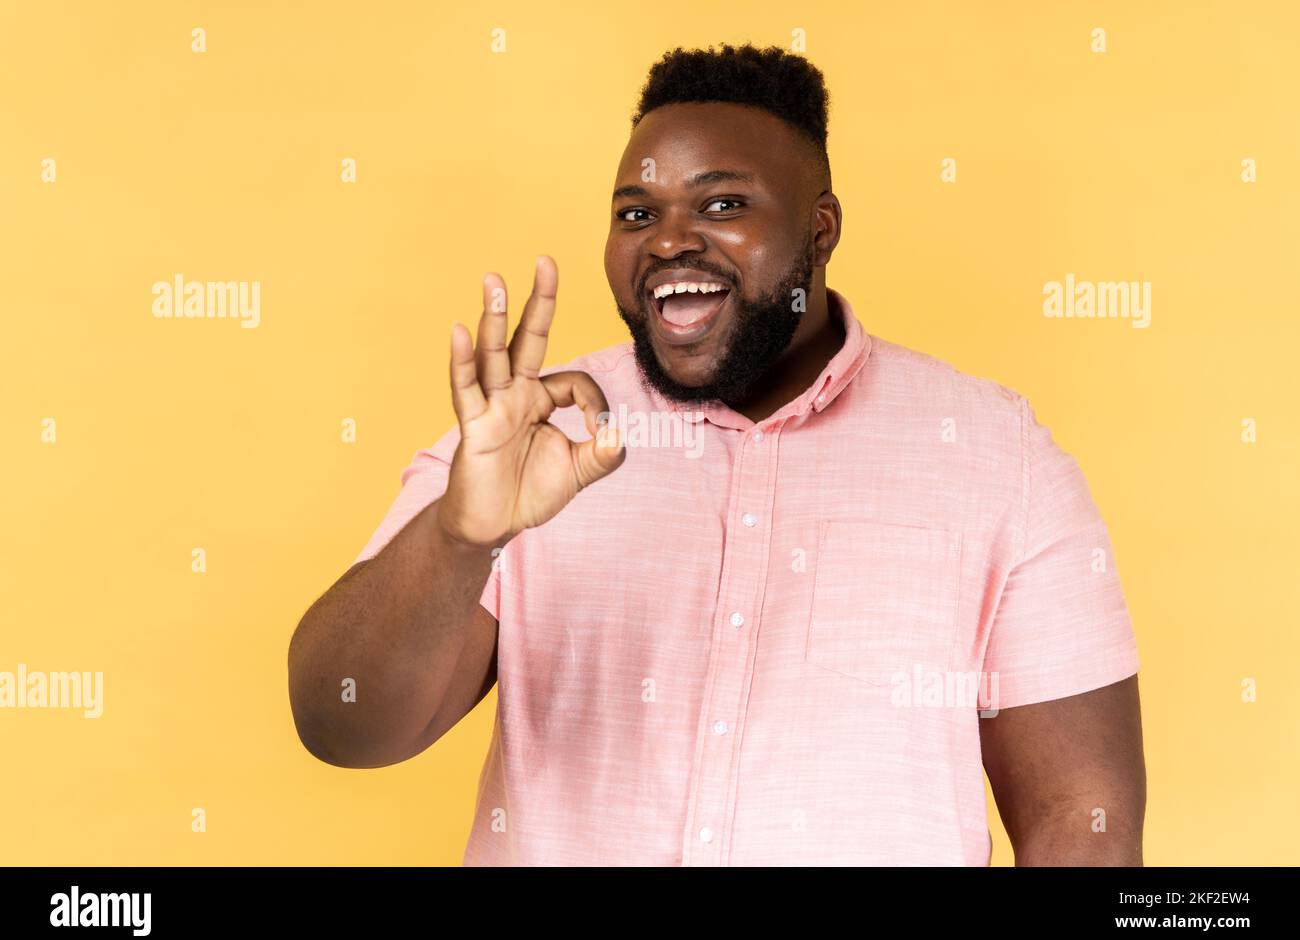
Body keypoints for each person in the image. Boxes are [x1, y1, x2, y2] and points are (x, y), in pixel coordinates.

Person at [288, 43, 1145, 866]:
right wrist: (458, 539)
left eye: (722, 204)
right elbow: (343, 727)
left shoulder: (999, 455)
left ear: (821, 228)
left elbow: (1082, 819)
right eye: (636, 213)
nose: (667, 242)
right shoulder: (527, 439)